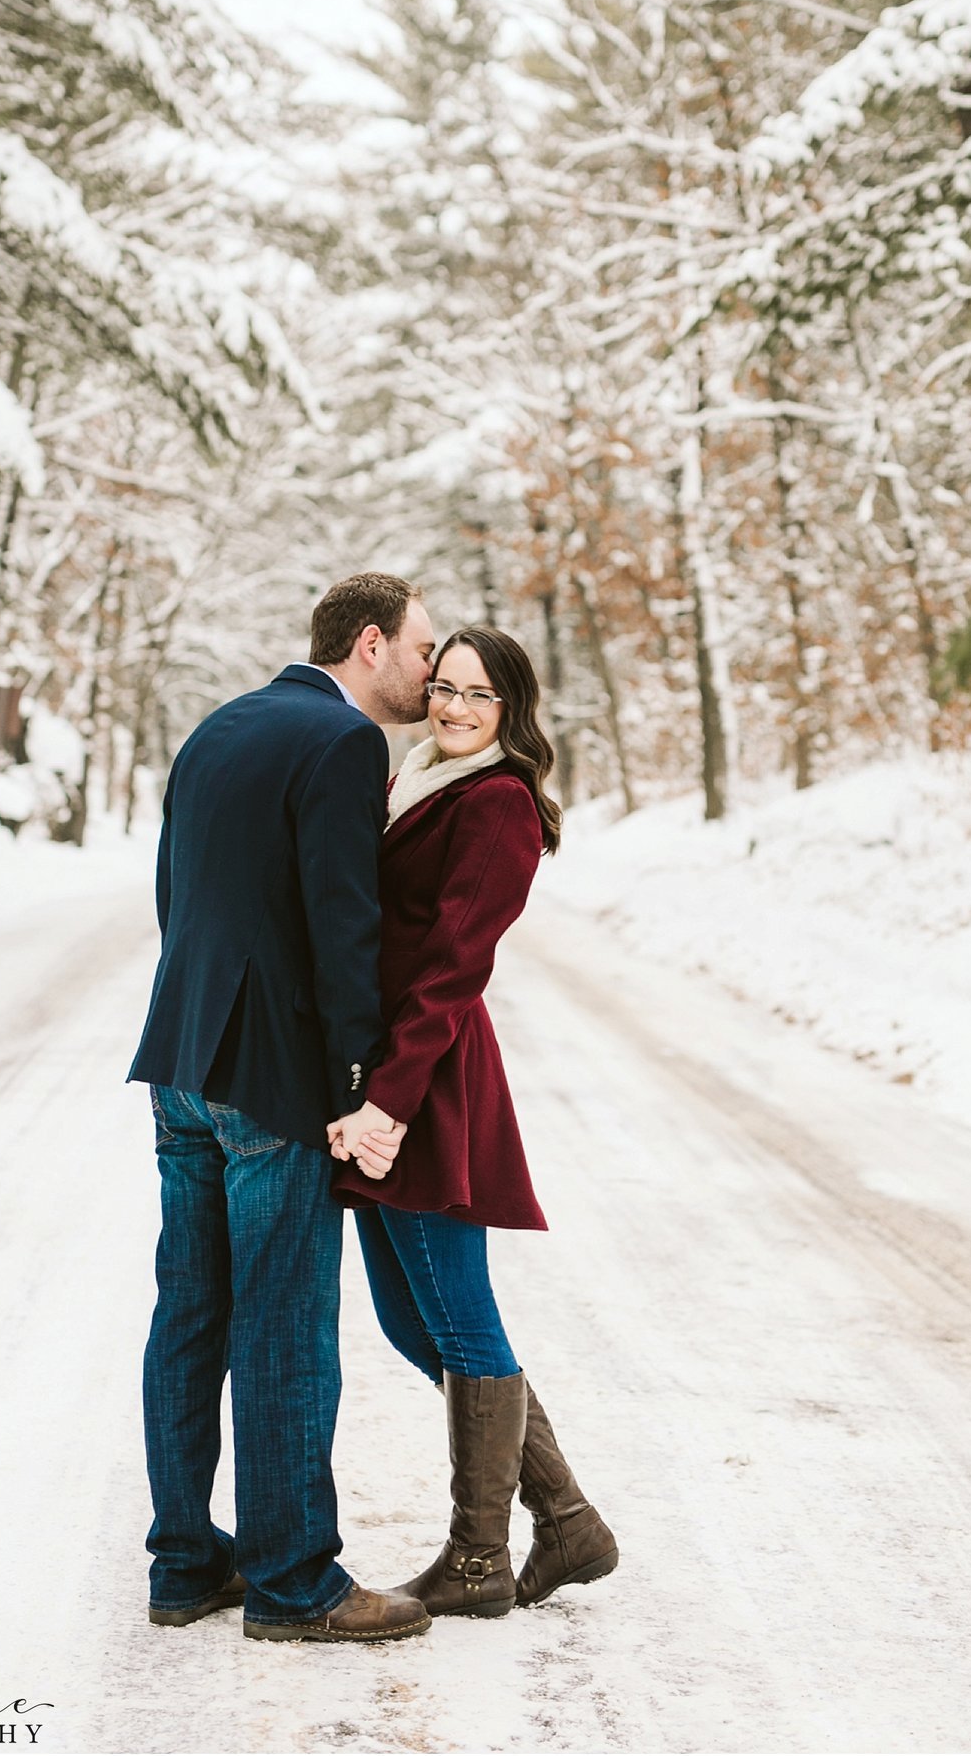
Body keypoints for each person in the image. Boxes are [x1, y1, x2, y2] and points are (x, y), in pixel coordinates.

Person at [127, 571, 438, 1644]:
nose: (431, 672)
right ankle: (295, 1582)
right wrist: (355, 1090)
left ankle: (181, 1566)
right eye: (420, 650)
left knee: (190, 1317)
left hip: (183, 1061)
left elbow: (175, 893)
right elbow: (343, 927)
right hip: (272, 1084)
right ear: (367, 643)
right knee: (287, 1329)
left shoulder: (219, 726)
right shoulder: (345, 745)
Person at [332, 625, 620, 1620]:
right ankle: (568, 1520)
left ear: (512, 712)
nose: (454, 707)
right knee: (415, 1322)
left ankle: (476, 1560)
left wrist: (386, 1104)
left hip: (425, 1083)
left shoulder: (496, 805)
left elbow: (454, 967)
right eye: (444, 687)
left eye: (479, 696)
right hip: (388, 1077)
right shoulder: (419, 779)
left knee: (455, 1319)